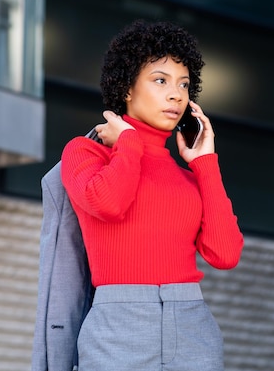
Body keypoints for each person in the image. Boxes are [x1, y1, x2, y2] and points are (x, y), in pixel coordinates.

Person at [60, 20, 244, 371]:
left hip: (192, 326)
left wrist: (205, 163)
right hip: (117, 328)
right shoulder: (87, 154)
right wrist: (128, 140)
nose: (176, 94)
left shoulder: (188, 177)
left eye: (184, 85)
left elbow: (225, 253)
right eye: (161, 80)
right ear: (127, 88)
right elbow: (108, 203)